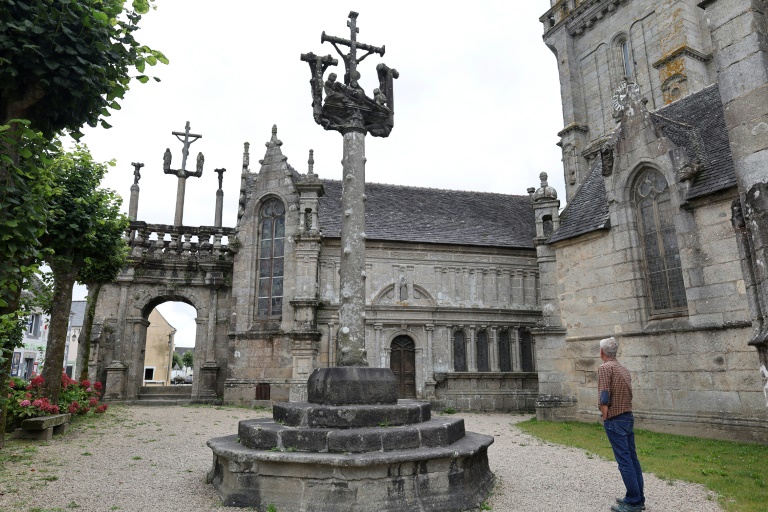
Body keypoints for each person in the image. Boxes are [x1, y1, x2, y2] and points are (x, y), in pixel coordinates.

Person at [598, 336, 645, 512]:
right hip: (627, 416)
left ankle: (633, 502)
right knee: (632, 459)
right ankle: (638, 498)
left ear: (602, 352)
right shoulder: (623, 369)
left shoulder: (605, 368)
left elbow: (604, 395)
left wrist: (605, 417)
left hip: (615, 418)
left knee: (624, 461)